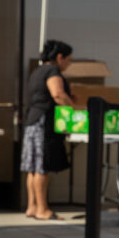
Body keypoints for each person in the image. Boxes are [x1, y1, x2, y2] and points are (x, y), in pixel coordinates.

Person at [20, 40, 75, 221]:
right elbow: (57, 94)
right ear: (60, 57)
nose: (69, 64)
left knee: (33, 168)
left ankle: (32, 207)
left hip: (32, 121)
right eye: (68, 59)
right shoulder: (52, 71)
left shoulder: (37, 71)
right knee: (42, 167)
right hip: (43, 123)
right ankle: (43, 209)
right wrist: (74, 108)